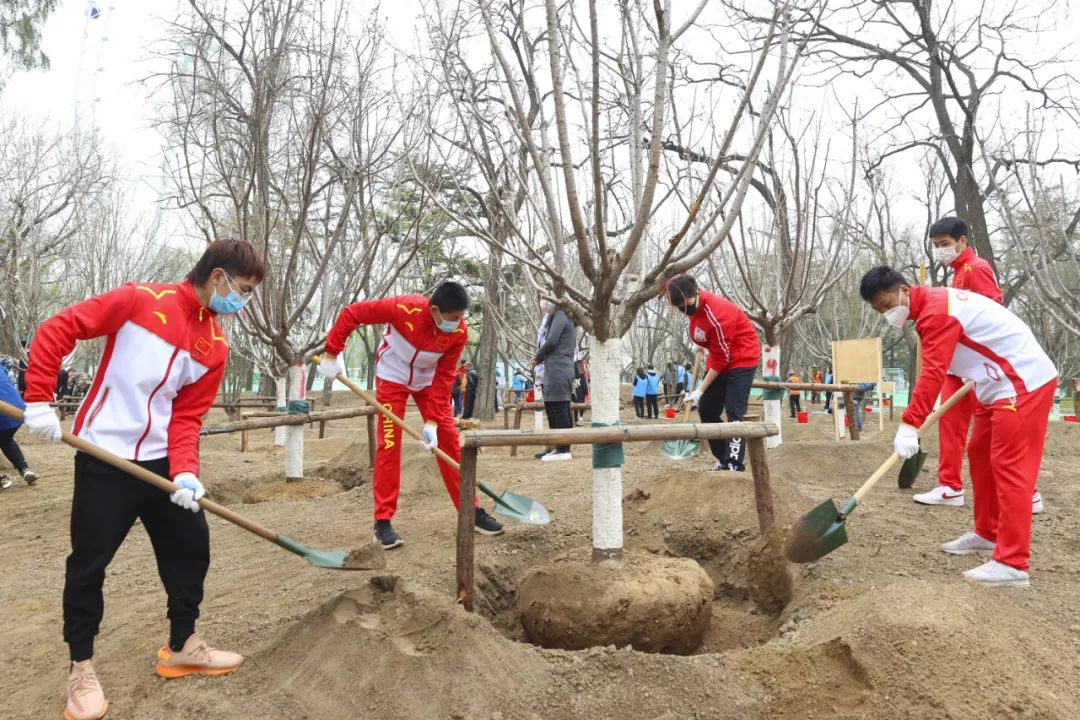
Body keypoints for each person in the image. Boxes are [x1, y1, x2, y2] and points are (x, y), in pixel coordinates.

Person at [21, 238, 264, 720]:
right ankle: (81, 667)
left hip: (159, 467)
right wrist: (38, 397)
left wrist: (186, 471)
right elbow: (57, 329)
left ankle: (183, 644)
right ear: (217, 276)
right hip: (104, 455)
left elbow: (187, 417)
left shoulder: (214, 346)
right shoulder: (139, 301)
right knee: (89, 563)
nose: (243, 301)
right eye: (243, 289)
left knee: (191, 547)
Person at [859, 266, 1057, 587]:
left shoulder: (937, 312)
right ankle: (988, 534)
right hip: (996, 383)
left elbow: (933, 372)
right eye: (879, 310)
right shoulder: (930, 307)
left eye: (887, 303)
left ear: (904, 289)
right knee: (979, 452)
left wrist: (910, 424)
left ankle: (1012, 563)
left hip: (1022, 381)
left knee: (1010, 467)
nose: (887, 313)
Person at [319, 281, 504, 548]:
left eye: (461, 317)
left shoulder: (459, 332)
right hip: (392, 377)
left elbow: (444, 376)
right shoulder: (403, 308)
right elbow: (352, 314)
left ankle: (471, 510)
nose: (459, 323)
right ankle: (382, 522)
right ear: (436, 310)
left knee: (449, 440)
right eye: (453, 318)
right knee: (389, 444)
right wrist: (331, 353)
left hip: (429, 383)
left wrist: (431, 422)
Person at [915, 217, 1042, 514]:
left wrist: (985, 362)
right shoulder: (958, 272)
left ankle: (1030, 492)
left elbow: (993, 313)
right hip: (959, 365)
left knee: (997, 434)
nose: (940, 251)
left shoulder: (977, 270)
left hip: (980, 365)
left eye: (945, 245)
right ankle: (950, 486)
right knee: (950, 423)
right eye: (936, 246)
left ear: (962, 241)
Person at [668, 274, 760, 471]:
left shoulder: (718, 315)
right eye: (679, 307)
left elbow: (721, 359)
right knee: (707, 409)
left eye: (685, 304)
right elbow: (708, 336)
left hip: (742, 359)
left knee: (734, 410)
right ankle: (723, 458)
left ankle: (734, 464)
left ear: (695, 293)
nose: (684, 310)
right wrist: (702, 345)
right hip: (721, 355)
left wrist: (699, 390)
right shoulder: (695, 307)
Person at [533, 300, 577, 461]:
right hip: (553, 368)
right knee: (552, 407)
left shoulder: (561, 315)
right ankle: (557, 446)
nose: (544, 308)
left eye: (546, 304)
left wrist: (538, 357)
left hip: (560, 368)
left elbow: (551, 341)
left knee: (559, 407)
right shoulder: (556, 316)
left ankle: (564, 448)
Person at [0, 364, 38, 488]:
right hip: (17, 409)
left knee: (4, 439)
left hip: (3, 411)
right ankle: (25, 469)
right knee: (5, 440)